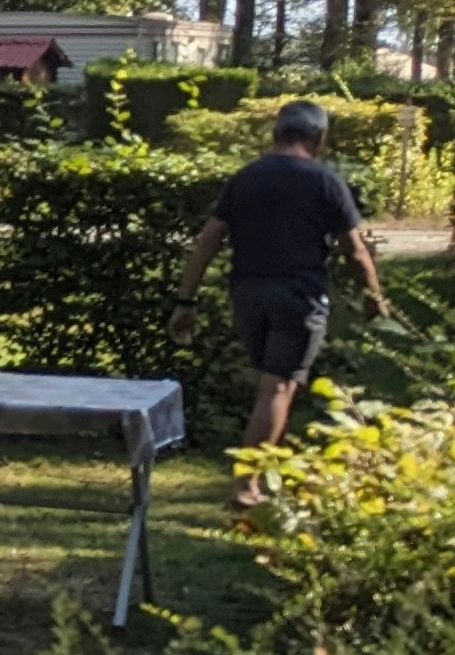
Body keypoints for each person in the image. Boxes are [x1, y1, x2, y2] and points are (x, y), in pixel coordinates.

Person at [168, 99, 392, 507]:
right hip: (299, 296)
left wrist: (186, 299)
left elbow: (207, 241)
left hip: (248, 294)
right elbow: (355, 251)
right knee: (278, 387)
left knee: (273, 386)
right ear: (319, 138)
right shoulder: (325, 182)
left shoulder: (246, 179)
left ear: (275, 134)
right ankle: (245, 486)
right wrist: (374, 297)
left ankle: (275, 477)